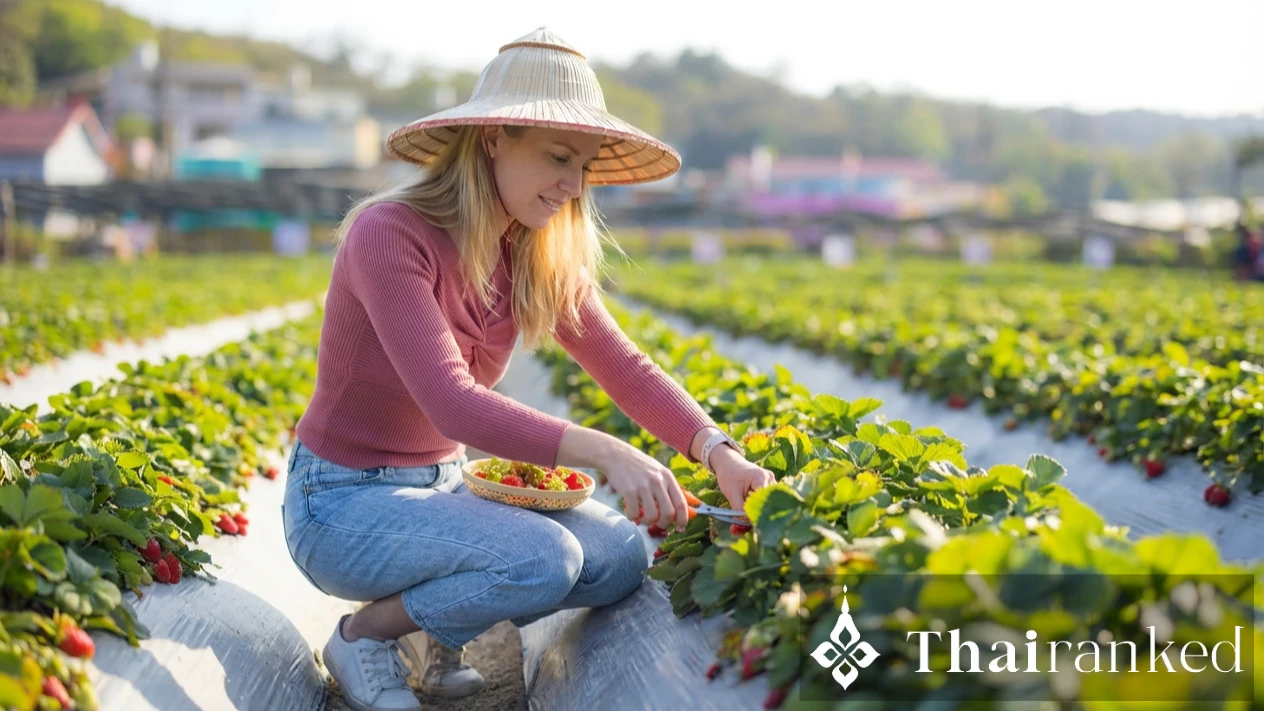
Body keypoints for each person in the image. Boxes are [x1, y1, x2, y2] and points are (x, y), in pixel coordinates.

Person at [281, 27, 776, 711]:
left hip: (443, 487)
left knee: (621, 555)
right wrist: (606, 450)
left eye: (584, 166)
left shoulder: (532, 253)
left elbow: (624, 365)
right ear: (492, 140)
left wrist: (716, 451)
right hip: (341, 502)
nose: (573, 186)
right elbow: (453, 403)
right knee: (544, 558)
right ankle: (365, 634)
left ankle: (434, 627)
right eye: (557, 158)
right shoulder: (389, 234)